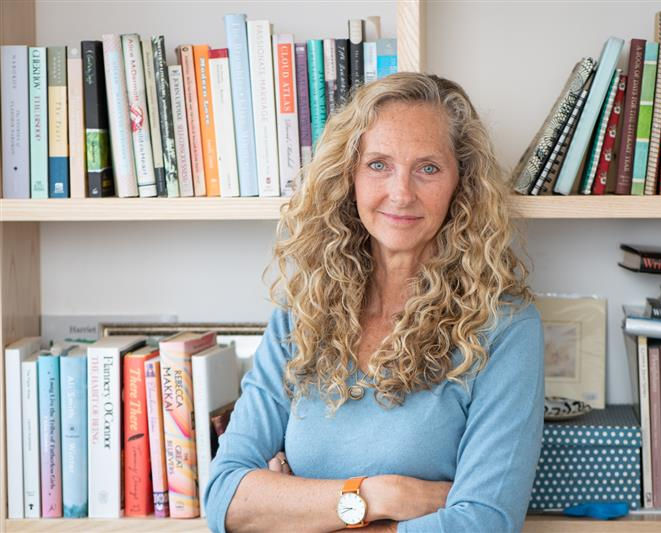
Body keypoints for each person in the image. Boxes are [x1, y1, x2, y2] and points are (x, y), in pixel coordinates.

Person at [203, 72, 544, 533]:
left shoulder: (504, 327)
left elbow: (483, 523)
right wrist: (382, 496)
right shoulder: (301, 313)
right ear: (350, 177)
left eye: (428, 168)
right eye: (379, 164)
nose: (401, 193)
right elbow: (225, 499)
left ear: (461, 185)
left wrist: (292, 509)